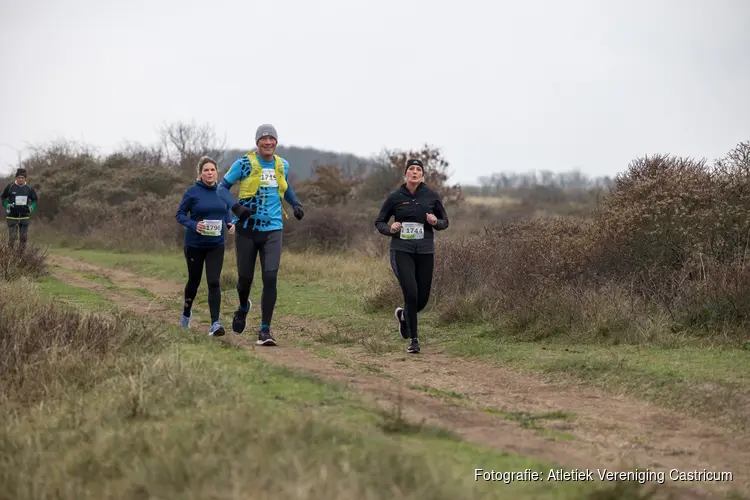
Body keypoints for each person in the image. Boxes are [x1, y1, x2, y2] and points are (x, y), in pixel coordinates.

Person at [216, 124, 304, 346]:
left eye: (271, 139)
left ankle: (265, 330)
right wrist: (236, 208)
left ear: (276, 142)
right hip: (247, 229)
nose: (268, 142)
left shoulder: (281, 164)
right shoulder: (244, 163)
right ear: (257, 142)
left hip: (273, 229)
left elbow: (286, 188)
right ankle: (244, 306)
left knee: (270, 276)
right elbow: (221, 188)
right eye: (263, 139)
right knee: (244, 280)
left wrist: (295, 204)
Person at [374, 158, 449, 354]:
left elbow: (444, 221)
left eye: (418, 170)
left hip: (425, 252)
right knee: (411, 294)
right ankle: (414, 340)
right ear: (405, 174)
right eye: (411, 169)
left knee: (422, 298)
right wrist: (391, 228)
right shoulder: (395, 197)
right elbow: (379, 221)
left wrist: (435, 222)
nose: (414, 172)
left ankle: (404, 316)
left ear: (422, 175)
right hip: (401, 250)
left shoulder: (432, 196)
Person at [175, 156, 235, 337]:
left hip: (216, 244)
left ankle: (215, 323)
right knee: (194, 281)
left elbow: (226, 211)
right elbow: (180, 214)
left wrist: (230, 223)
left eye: (212, 170)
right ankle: (186, 314)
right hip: (194, 244)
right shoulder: (192, 192)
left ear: (217, 172)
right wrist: (194, 225)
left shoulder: (222, 192)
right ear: (200, 174)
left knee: (214, 282)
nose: (209, 173)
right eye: (206, 170)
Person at [1, 168, 38, 250]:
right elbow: (3, 197)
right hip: (12, 216)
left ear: (25, 178)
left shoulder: (28, 188)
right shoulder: (10, 187)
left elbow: (35, 199)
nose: (20, 179)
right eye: (19, 177)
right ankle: (10, 255)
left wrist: (32, 207)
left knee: (23, 237)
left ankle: (21, 256)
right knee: (13, 237)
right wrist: (7, 205)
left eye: (22, 177)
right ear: (16, 178)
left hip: (24, 216)